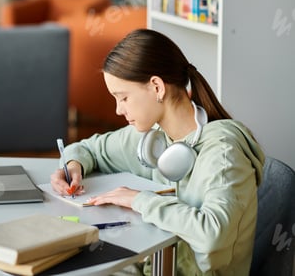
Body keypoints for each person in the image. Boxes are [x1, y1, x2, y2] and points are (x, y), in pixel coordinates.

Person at [50, 29, 264, 276]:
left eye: (123, 98)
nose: (118, 110)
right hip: (155, 266)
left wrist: (140, 200)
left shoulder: (224, 152)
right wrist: (74, 164)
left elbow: (212, 234)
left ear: (156, 87)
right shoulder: (155, 138)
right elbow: (90, 148)